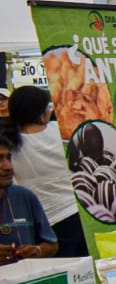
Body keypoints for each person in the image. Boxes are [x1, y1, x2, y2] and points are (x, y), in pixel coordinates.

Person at [7, 86, 87, 258]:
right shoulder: (59, 131)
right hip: (79, 211)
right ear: (41, 111)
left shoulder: (10, 142)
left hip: (44, 221)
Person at [0, 136, 57, 264]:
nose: (8, 166)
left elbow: (52, 245)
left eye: (8, 158)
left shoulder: (25, 196)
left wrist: (37, 250)